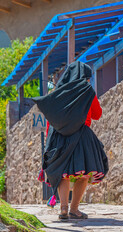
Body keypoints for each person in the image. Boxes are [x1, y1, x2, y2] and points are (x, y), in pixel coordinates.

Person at [34, 61, 108, 220]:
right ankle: (74, 210)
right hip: (81, 137)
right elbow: (97, 114)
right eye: (88, 78)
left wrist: (49, 141)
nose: (89, 81)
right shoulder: (87, 91)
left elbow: (50, 118)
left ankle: (63, 209)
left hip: (59, 136)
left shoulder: (58, 92)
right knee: (83, 175)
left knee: (63, 173)